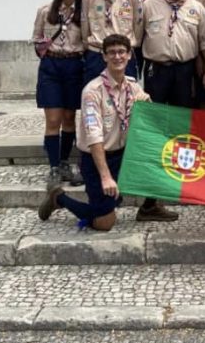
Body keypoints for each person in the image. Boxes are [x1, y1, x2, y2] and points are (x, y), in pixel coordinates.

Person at [38, 34, 155, 229]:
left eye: (121, 52)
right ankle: (59, 198)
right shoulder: (92, 91)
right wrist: (105, 176)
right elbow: (94, 137)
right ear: (104, 56)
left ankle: (150, 207)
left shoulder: (132, 87)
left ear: (129, 55)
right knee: (104, 223)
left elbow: (150, 114)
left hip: (122, 156)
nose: (117, 57)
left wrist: (146, 104)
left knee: (156, 169)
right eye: (112, 53)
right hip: (96, 159)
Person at [32, 0, 86, 186]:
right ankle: (54, 167)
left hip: (74, 65)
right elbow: (36, 37)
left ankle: (64, 162)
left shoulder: (84, 12)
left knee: (69, 118)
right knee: (53, 119)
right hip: (51, 66)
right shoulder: (46, 11)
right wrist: (44, 49)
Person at [142, 0, 205, 110]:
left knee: (182, 114)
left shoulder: (197, 8)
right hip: (156, 69)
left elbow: (204, 42)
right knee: (154, 113)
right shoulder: (148, 5)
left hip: (185, 70)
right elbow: (139, 36)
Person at [81, 0, 143, 84]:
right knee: (94, 93)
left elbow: (138, 29)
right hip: (97, 55)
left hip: (123, 55)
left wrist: (128, 46)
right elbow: (84, 28)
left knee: (126, 94)